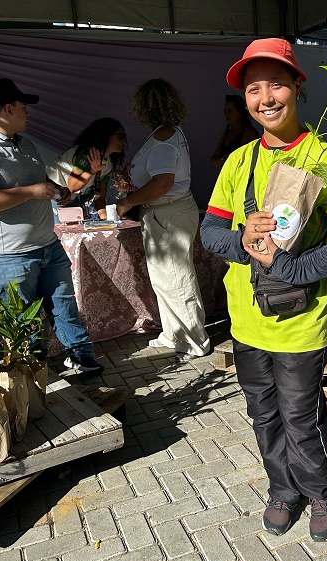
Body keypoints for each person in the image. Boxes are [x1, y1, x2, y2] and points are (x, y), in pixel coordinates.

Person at [200, 39, 327, 542]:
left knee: (299, 414)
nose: (265, 98)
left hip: (302, 318)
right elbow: (210, 233)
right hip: (247, 317)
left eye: (276, 84)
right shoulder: (237, 162)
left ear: (297, 86)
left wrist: (296, 268)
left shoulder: (324, 159)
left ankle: (322, 492)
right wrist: (241, 238)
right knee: (262, 412)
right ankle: (282, 489)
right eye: (254, 89)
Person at [0, 78, 104, 374]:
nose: (28, 113)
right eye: (24, 107)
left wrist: (61, 188)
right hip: (8, 253)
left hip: (46, 243)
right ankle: (31, 369)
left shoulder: (25, 144)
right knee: (23, 317)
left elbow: (42, 184)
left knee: (64, 303)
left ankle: (80, 356)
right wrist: (33, 192)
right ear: (8, 109)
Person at [116, 78, 210, 359]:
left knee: (176, 278)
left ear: (143, 107)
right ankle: (174, 334)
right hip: (167, 211)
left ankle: (194, 341)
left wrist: (127, 201)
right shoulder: (169, 133)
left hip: (167, 212)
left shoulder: (162, 139)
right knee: (166, 278)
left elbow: (162, 183)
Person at [47, 118, 127, 220]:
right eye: (120, 136)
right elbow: (72, 186)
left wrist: (107, 220)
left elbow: (100, 198)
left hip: (69, 200)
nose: (124, 141)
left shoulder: (108, 164)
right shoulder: (85, 154)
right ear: (106, 135)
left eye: (125, 137)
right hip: (51, 197)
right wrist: (92, 171)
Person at [209, 94, 259, 168]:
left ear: (240, 113)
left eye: (229, 111)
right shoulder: (228, 133)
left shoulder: (249, 133)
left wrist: (223, 158)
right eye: (225, 111)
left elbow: (241, 160)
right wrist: (225, 158)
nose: (226, 115)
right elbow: (213, 162)